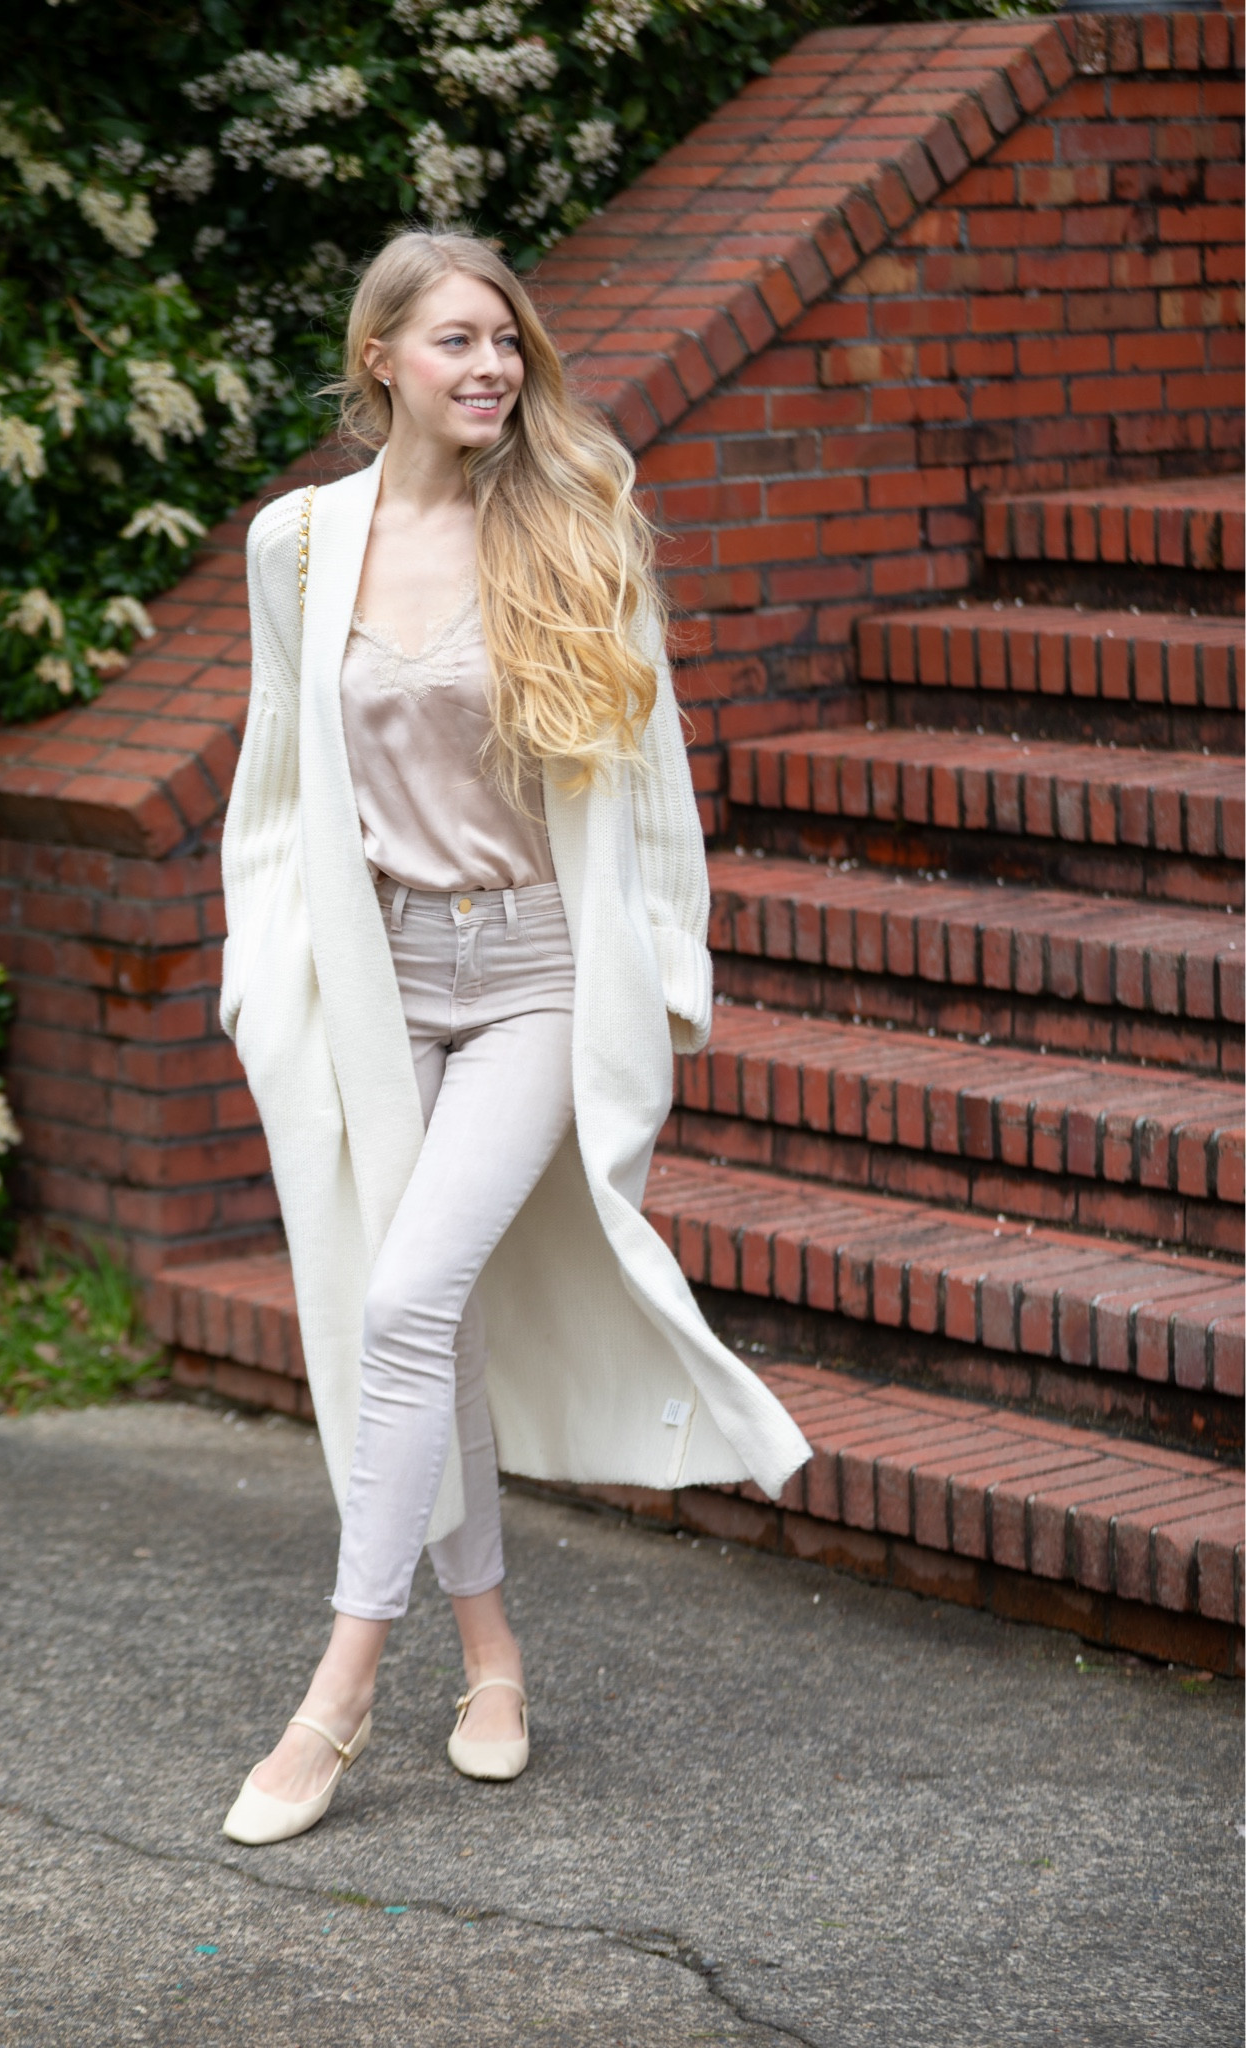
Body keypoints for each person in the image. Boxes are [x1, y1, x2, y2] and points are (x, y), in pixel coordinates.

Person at [217, 227, 811, 1846]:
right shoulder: (300, 545)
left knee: (403, 1302)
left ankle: (337, 1695)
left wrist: (665, 972)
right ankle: (492, 1661)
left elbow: (655, 775)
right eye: (457, 343)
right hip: (377, 977)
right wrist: (260, 979)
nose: (490, 368)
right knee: (419, 1329)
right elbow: (276, 785)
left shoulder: (572, 518)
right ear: (380, 362)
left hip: (540, 976)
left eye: (506, 343)